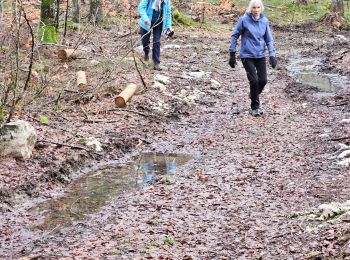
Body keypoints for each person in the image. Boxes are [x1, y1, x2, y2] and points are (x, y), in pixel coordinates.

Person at [229, 0, 277, 117]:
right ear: (251, 9)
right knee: (254, 81)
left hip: (260, 55)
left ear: (261, 8)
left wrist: (272, 55)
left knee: (263, 81)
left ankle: (253, 94)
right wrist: (232, 53)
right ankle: (255, 107)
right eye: (254, 8)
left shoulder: (264, 21)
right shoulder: (244, 20)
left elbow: (269, 39)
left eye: (258, 8)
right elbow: (235, 35)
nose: (256, 10)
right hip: (247, 55)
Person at [138, 0, 173, 70]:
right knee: (145, 41)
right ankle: (146, 52)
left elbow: (168, 14)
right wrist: (146, 19)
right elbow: (141, 7)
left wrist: (169, 26)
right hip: (146, 22)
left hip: (159, 23)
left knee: (156, 42)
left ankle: (156, 63)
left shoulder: (167, 1)